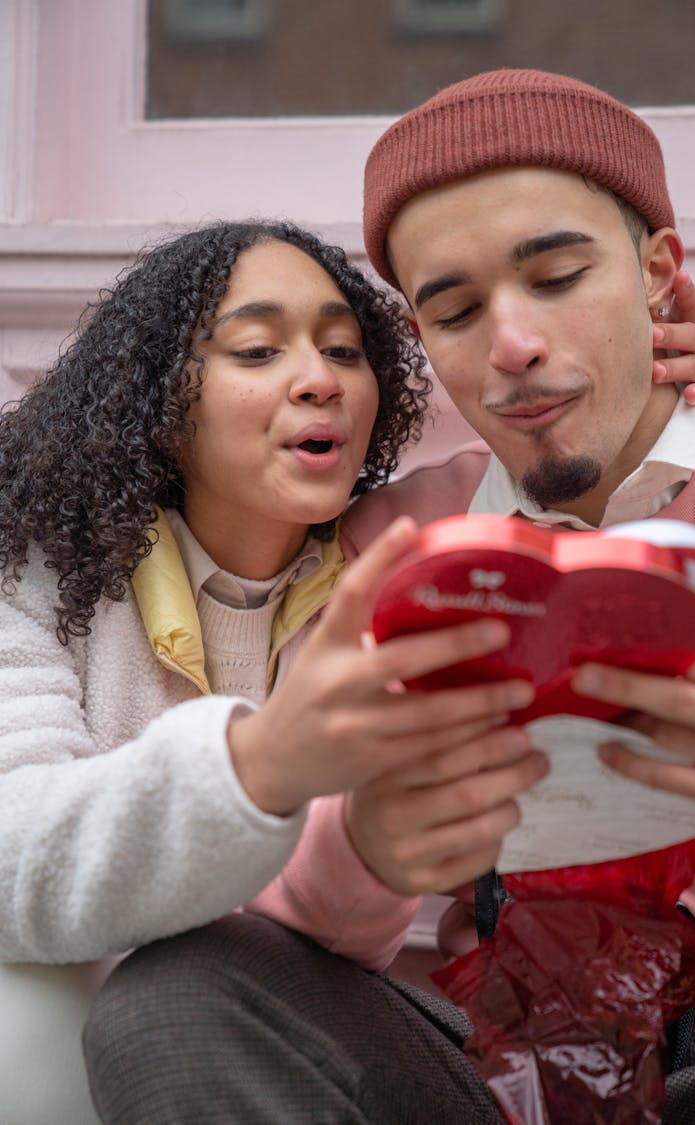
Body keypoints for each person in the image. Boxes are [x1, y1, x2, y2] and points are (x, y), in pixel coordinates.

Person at [83, 73, 695, 1125]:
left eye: (561, 275)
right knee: (176, 999)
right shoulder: (382, 545)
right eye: (456, 309)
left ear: (658, 273)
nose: (514, 345)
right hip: (480, 1064)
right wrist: (370, 848)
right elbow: (292, 909)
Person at [0, 217, 547, 1124]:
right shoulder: (34, 566)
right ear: (156, 396)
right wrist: (259, 763)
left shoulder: (400, 555)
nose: (320, 379)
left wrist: (692, 399)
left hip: (278, 1034)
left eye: (345, 349)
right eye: (257, 349)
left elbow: (595, 482)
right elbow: (12, 847)